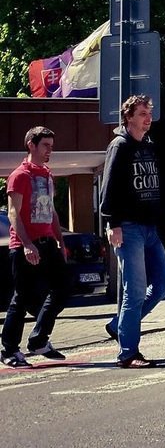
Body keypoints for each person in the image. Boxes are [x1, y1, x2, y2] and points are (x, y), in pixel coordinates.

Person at [100, 95, 165, 369]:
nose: (149, 117)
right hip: (129, 228)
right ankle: (128, 353)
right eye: (143, 113)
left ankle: (119, 325)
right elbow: (108, 186)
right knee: (134, 292)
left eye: (149, 112)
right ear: (129, 117)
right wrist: (112, 224)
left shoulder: (149, 147)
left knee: (164, 283)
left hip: (150, 228)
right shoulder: (120, 146)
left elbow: (160, 186)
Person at [1, 127, 71, 368]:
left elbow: (51, 212)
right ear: (31, 144)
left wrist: (60, 242)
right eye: (46, 146)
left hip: (48, 244)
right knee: (22, 298)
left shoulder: (47, 175)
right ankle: (9, 350)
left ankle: (39, 339)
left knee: (63, 288)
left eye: (51, 146)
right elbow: (13, 213)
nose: (50, 150)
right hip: (24, 246)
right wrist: (27, 245)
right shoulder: (19, 176)